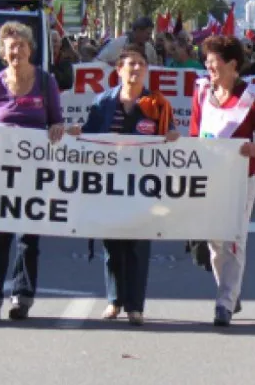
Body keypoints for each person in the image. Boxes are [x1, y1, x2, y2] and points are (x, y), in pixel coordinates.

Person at [72, 45, 178, 325]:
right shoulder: (103, 102)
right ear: (118, 70)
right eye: (130, 64)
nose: (136, 68)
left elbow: (170, 133)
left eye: (141, 64)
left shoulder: (158, 103)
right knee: (113, 244)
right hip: (110, 183)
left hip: (143, 184)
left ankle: (135, 306)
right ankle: (114, 300)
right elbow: (90, 136)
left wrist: (173, 136)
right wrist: (76, 134)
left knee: (138, 244)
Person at [0, 21, 66, 322]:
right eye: (11, 46)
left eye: (22, 45)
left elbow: (56, 120)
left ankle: (22, 297)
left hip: (35, 172)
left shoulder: (45, 81)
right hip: (1, 172)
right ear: (3, 52)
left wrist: (56, 127)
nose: (17, 50)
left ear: (31, 49)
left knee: (28, 237)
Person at [190, 35, 255, 326]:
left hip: (241, 179)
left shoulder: (252, 96)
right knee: (216, 242)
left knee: (234, 240)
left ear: (232, 64)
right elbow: (194, 133)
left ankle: (224, 303)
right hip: (208, 178)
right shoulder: (201, 92)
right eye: (207, 61)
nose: (208, 67)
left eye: (214, 62)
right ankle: (230, 290)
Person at [97, 16, 161, 65]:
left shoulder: (150, 49)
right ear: (138, 31)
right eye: (148, 33)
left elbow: (154, 68)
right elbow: (98, 62)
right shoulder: (116, 44)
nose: (149, 37)